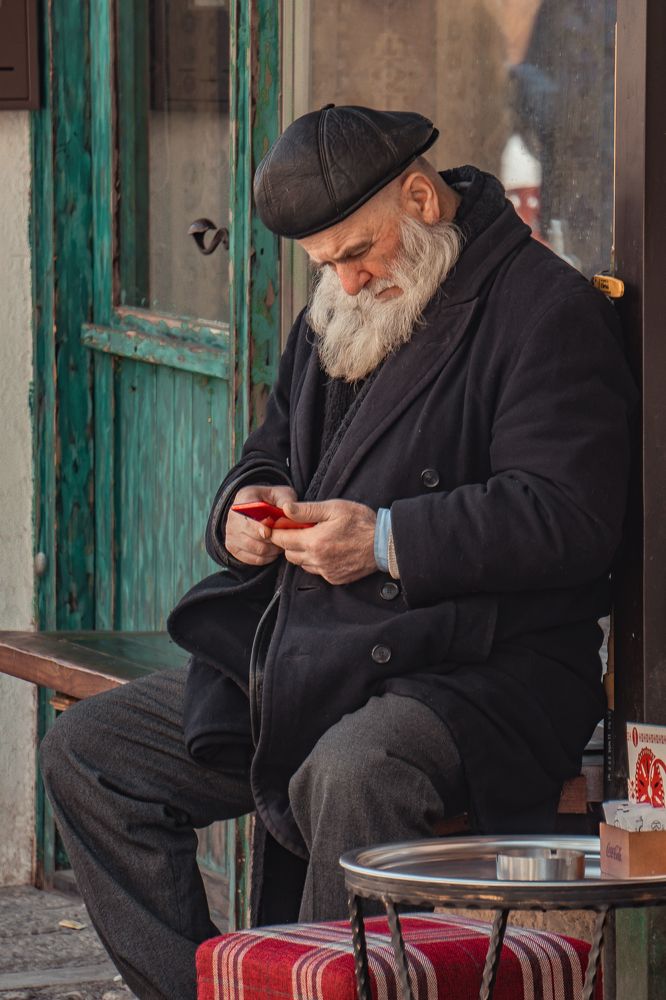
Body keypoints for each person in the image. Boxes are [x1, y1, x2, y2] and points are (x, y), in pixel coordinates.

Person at [40, 105, 637, 1000]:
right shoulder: (345, 297)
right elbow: (272, 446)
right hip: (320, 643)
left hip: (479, 666)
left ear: (422, 198)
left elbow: (569, 517)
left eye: (359, 251)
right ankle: (218, 989)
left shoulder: (546, 310)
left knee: (352, 770)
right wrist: (245, 511)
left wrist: (388, 541)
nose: (348, 282)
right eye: (326, 264)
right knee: (90, 751)